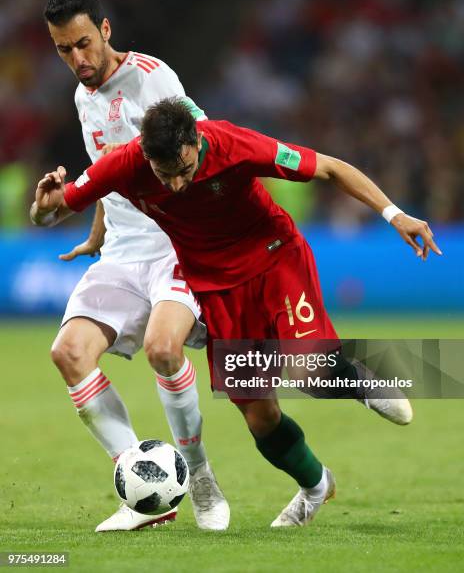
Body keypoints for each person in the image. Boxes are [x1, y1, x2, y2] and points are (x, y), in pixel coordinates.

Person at [31, 98, 440, 527]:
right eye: (162, 173)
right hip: (218, 290)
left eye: (184, 171)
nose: (174, 185)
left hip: (274, 259)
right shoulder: (126, 163)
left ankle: (361, 383)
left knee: (310, 371)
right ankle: (317, 487)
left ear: (196, 141)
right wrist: (43, 208)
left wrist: (395, 215)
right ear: (145, 155)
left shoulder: (235, 145)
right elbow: (55, 208)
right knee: (260, 417)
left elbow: (330, 168)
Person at [38, 0, 229, 532]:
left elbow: (204, 140)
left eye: (82, 44)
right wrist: (98, 232)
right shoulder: (83, 97)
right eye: (61, 50)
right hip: (122, 250)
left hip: (174, 244)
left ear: (105, 31)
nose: (76, 60)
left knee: (165, 350)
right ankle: (147, 491)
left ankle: (200, 478)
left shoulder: (153, 78)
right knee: (69, 353)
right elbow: (110, 173)